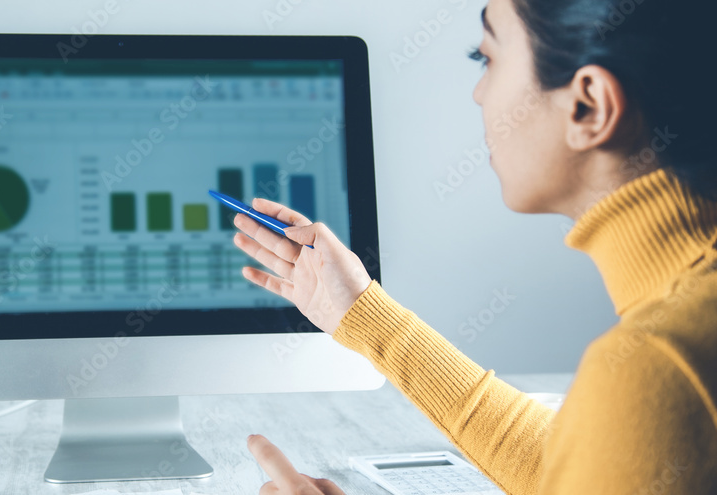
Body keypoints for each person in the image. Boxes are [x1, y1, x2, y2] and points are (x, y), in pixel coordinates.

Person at [236, 0, 717, 493]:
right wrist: (361, 312)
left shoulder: (659, 371)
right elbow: (574, 467)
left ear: (587, 105)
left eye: (484, 57)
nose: (478, 93)